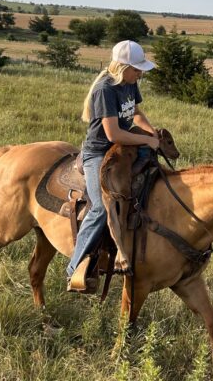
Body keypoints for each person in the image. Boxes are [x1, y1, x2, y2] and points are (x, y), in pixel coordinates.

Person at [66, 40, 159, 283]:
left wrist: (152, 133)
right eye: (136, 69)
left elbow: (136, 113)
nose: (140, 73)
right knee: (100, 207)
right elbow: (113, 134)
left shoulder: (130, 83)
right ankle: (74, 269)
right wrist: (146, 142)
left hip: (123, 149)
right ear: (122, 66)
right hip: (99, 152)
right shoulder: (105, 89)